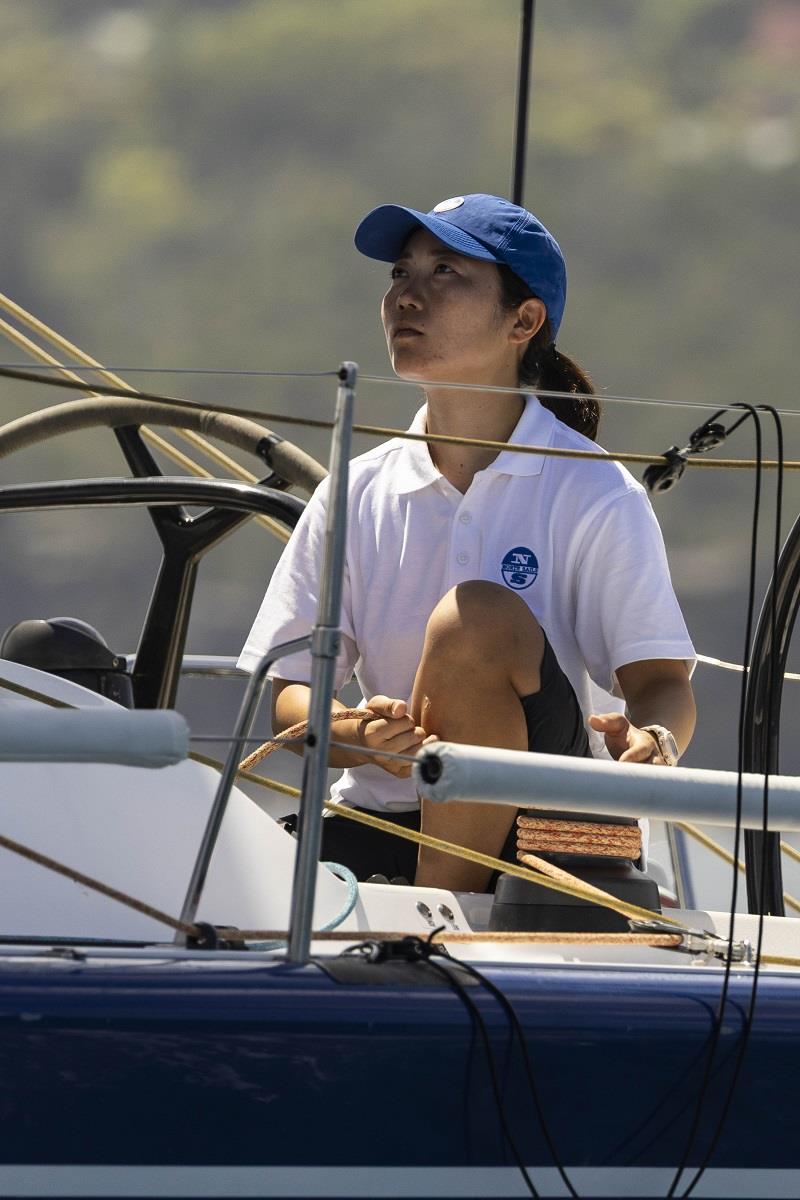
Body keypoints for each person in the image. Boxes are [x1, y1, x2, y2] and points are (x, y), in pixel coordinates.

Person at [239, 193, 696, 892]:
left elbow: (661, 685)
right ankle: (431, 925)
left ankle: (436, 921)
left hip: (551, 835)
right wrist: (355, 733)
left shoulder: (595, 491)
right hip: (381, 822)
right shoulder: (355, 489)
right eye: (399, 274)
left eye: (444, 272)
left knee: (473, 620)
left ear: (524, 319)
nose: (407, 297)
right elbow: (292, 692)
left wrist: (655, 741)